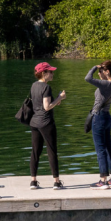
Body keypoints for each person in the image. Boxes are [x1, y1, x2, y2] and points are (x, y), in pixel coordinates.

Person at [85, 60, 111, 189]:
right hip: (107, 117)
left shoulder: (104, 84)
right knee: (108, 148)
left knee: (100, 149)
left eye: (101, 71)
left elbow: (88, 78)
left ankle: (103, 181)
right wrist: (108, 65)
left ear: (106, 72)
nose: (99, 73)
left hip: (99, 118)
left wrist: (94, 67)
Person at [29, 62, 66, 190]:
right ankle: (56, 182)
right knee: (51, 151)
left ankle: (33, 181)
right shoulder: (46, 87)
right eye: (50, 72)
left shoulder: (34, 86)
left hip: (34, 123)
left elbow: (38, 104)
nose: (52, 74)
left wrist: (55, 101)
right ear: (43, 73)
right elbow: (46, 107)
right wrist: (60, 98)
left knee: (35, 152)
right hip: (46, 123)